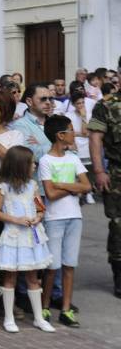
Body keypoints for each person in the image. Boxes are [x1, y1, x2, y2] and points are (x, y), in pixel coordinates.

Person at [0, 146, 55, 333]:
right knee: (10, 276)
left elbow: (40, 208)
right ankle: (9, 317)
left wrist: (38, 217)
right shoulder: (3, 187)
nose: (34, 165)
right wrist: (16, 219)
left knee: (33, 277)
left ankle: (38, 318)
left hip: (31, 237)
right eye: (31, 162)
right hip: (12, 236)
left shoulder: (32, 186)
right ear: (20, 165)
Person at [39, 115, 91, 328]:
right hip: (54, 218)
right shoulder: (46, 160)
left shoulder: (74, 158)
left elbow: (87, 186)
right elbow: (49, 194)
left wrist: (61, 184)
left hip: (74, 217)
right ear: (61, 135)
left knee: (70, 264)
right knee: (52, 266)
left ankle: (66, 309)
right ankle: (44, 305)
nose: (74, 133)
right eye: (71, 130)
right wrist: (71, 187)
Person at [87, 88, 121, 298]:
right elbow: (95, 139)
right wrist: (99, 170)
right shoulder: (106, 105)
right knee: (118, 225)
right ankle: (119, 274)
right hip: (117, 173)